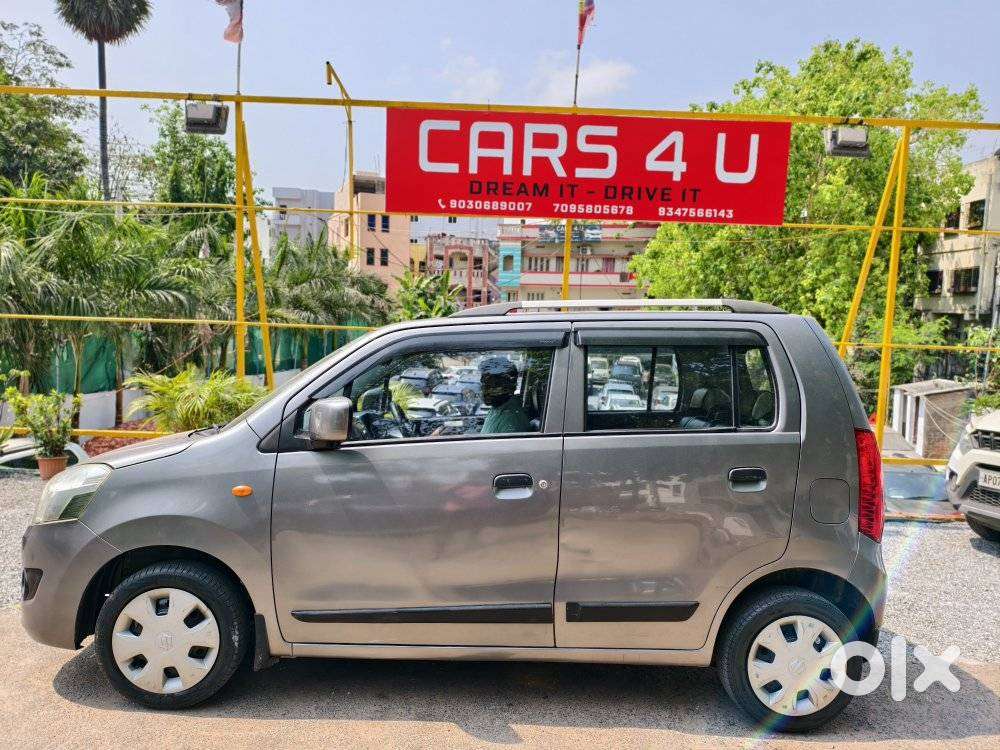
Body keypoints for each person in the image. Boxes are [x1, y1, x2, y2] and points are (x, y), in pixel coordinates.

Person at [478, 356, 531, 434]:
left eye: (490, 386)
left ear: (507, 387)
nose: (484, 391)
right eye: (483, 385)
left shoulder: (510, 419)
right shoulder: (497, 408)